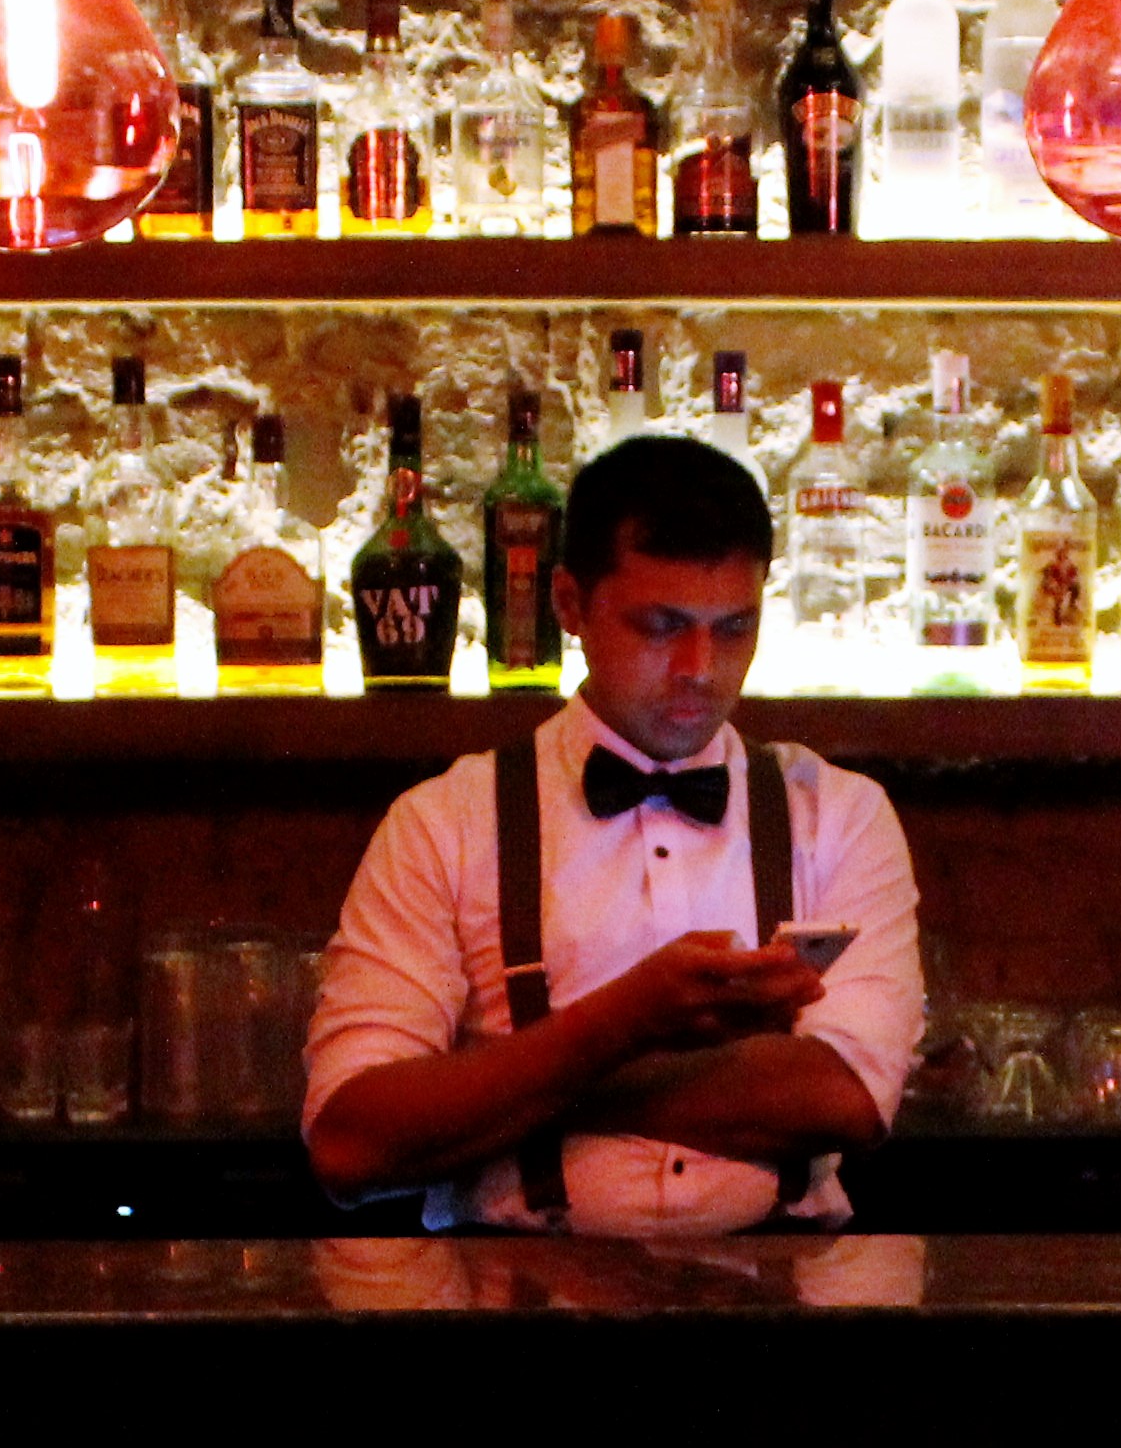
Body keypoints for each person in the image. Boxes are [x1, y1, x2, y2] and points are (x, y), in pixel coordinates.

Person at [302, 433, 926, 1233]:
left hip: (786, 1291)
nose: (700, 666)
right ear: (569, 604)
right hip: (515, 1292)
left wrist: (527, 1082)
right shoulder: (443, 822)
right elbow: (351, 1142)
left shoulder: (839, 813)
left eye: (734, 627)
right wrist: (623, 1020)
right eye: (661, 626)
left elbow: (848, 1099)